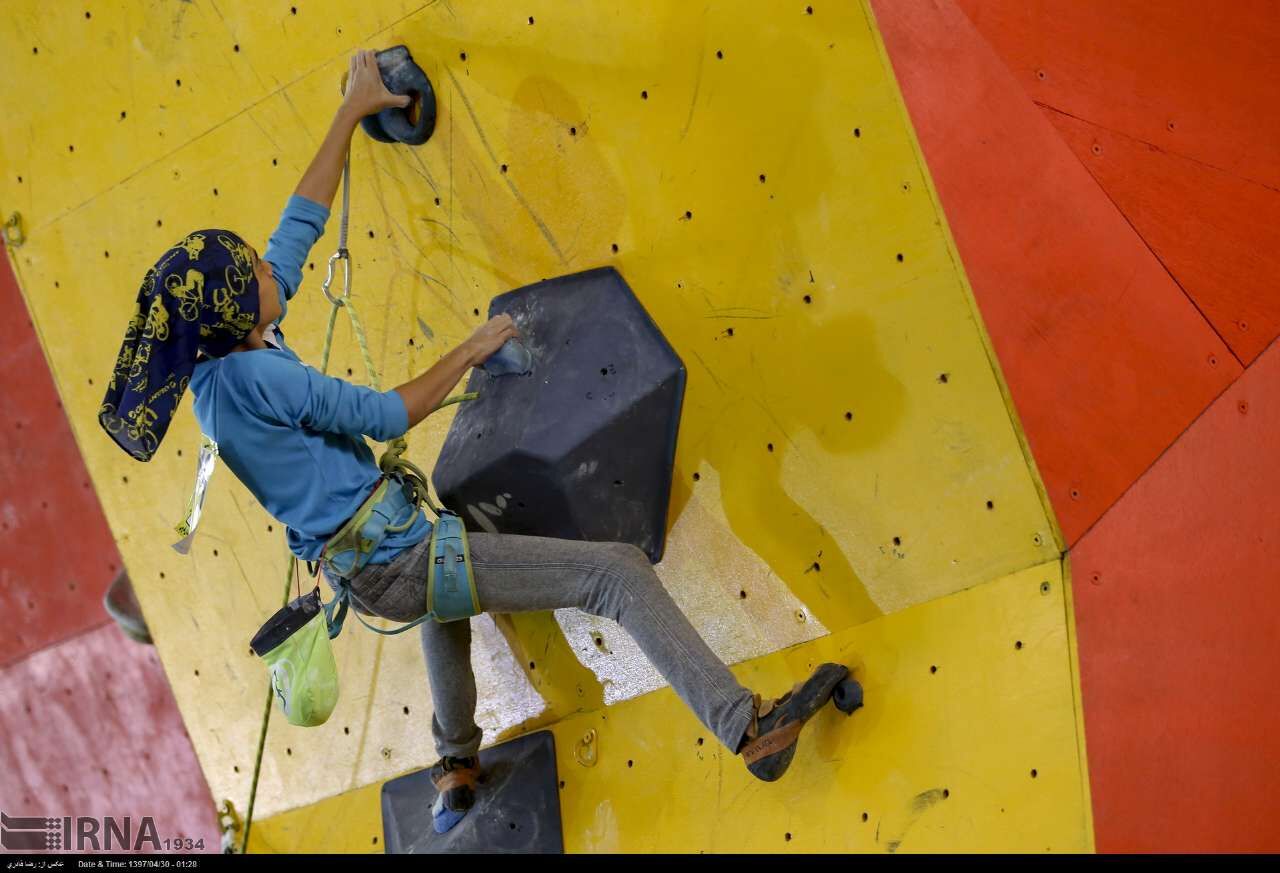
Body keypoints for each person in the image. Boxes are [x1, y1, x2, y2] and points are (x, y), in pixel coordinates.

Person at [100, 49, 848, 833]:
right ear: (237, 311)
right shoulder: (263, 380)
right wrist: (471, 347)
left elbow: (297, 229)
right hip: (397, 559)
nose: (267, 265)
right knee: (613, 577)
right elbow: (387, 415)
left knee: (441, 600)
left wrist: (351, 111)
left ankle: (455, 761)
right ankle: (746, 726)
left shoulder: (224, 358)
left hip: (377, 563)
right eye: (253, 271)